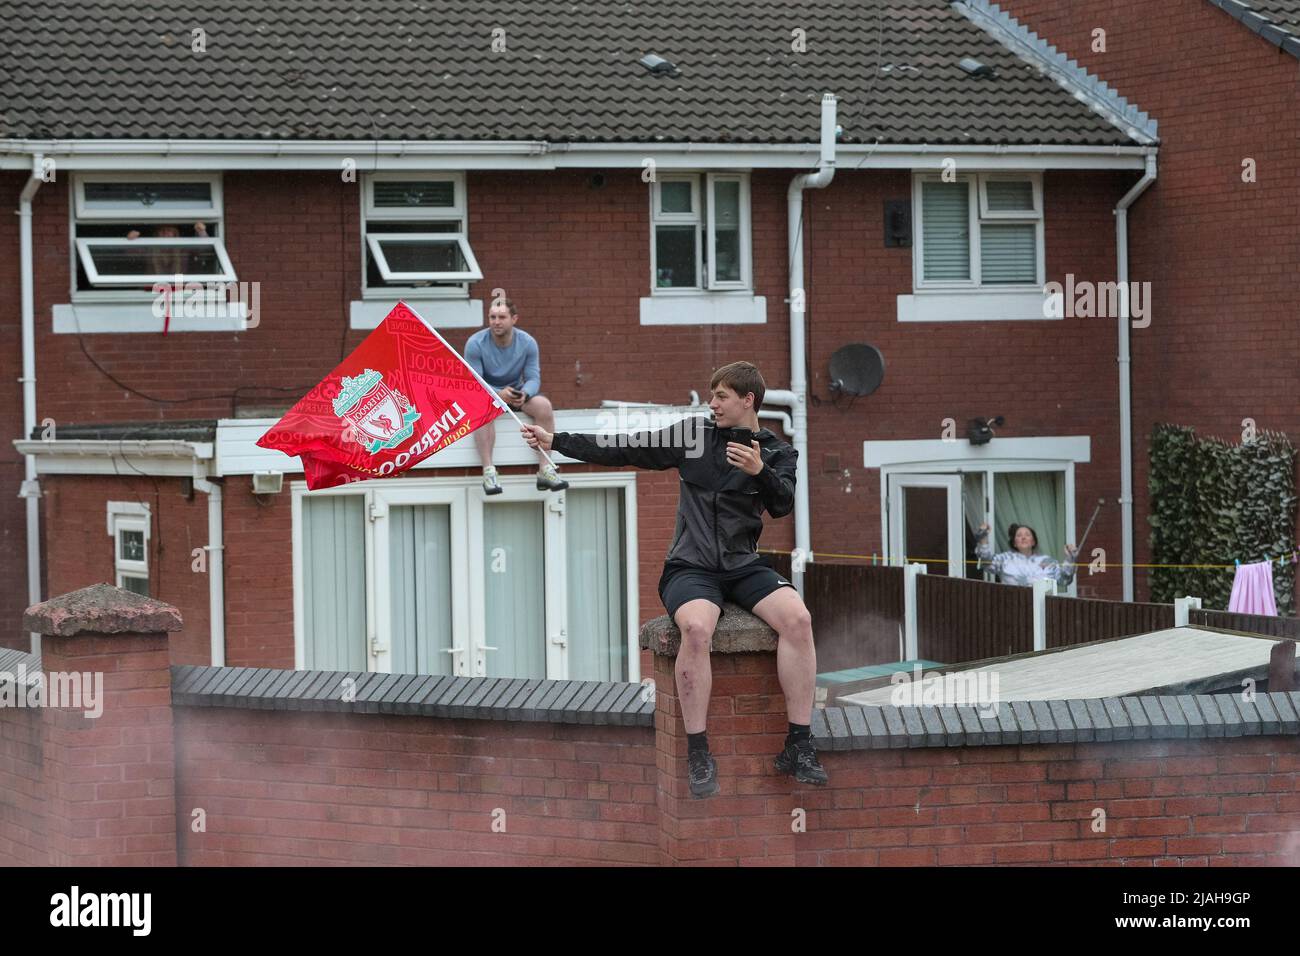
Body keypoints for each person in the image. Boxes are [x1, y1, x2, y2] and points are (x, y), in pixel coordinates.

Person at [522, 360, 828, 797]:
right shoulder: (693, 435)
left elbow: (783, 505)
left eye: (721, 396)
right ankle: (698, 751)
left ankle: (798, 744)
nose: (712, 403)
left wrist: (760, 472)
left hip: (744, 564)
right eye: (711, 395)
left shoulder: (777, 451)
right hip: (691, 567)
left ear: (748, 400)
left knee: (798, 620)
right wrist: (557, 441)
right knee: (697, 629)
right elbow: (624, 447)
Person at [465, 298, 568, 494]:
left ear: (514, 319)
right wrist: (497, 394)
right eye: (492, 317)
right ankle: (488, 472)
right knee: (482, 408)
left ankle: (545, 469)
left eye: (502, 317)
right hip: (488, 395)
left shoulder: (527, 342)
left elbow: (533, 377)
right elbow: (474, 383)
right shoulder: (475, 343)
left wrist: (525, 393)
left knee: (543, 406)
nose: (496, 321)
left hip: (517, 392)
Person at [975, 522, 1078, 586]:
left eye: (1027, 535)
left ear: (1033, 542)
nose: (1023, 537)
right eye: (1019, 535)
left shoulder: (1048, 561)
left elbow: (1064, 580)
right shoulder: (1005, 559)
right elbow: (986, 561)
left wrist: (1070, 558)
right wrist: (983, 539)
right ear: (1014, 543)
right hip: (1012, 608)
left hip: (1042, 611)